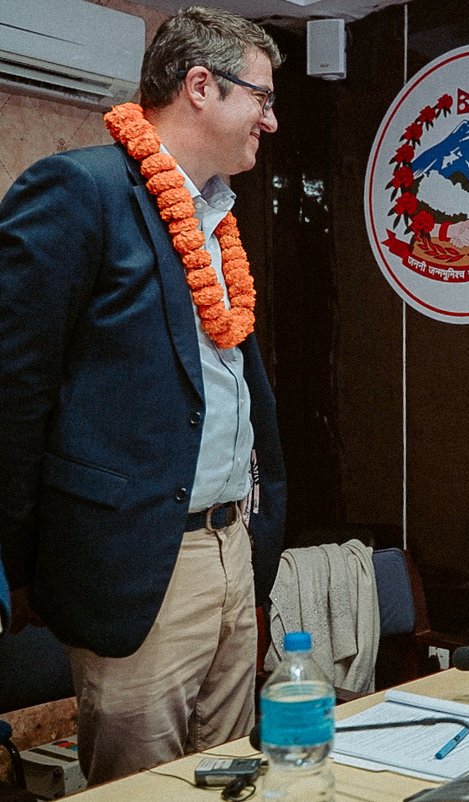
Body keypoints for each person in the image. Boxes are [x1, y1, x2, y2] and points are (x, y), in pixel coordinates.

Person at [0, 6, 286, 782]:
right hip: (138, 564)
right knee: (143, 791)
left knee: (233, 779)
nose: (270, 119)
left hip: (231, 549)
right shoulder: (80, 190)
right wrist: (20, 566)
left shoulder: (218, 215)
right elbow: (16, 393)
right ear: (200, 86)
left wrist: (259, 532)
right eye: (260, 97)